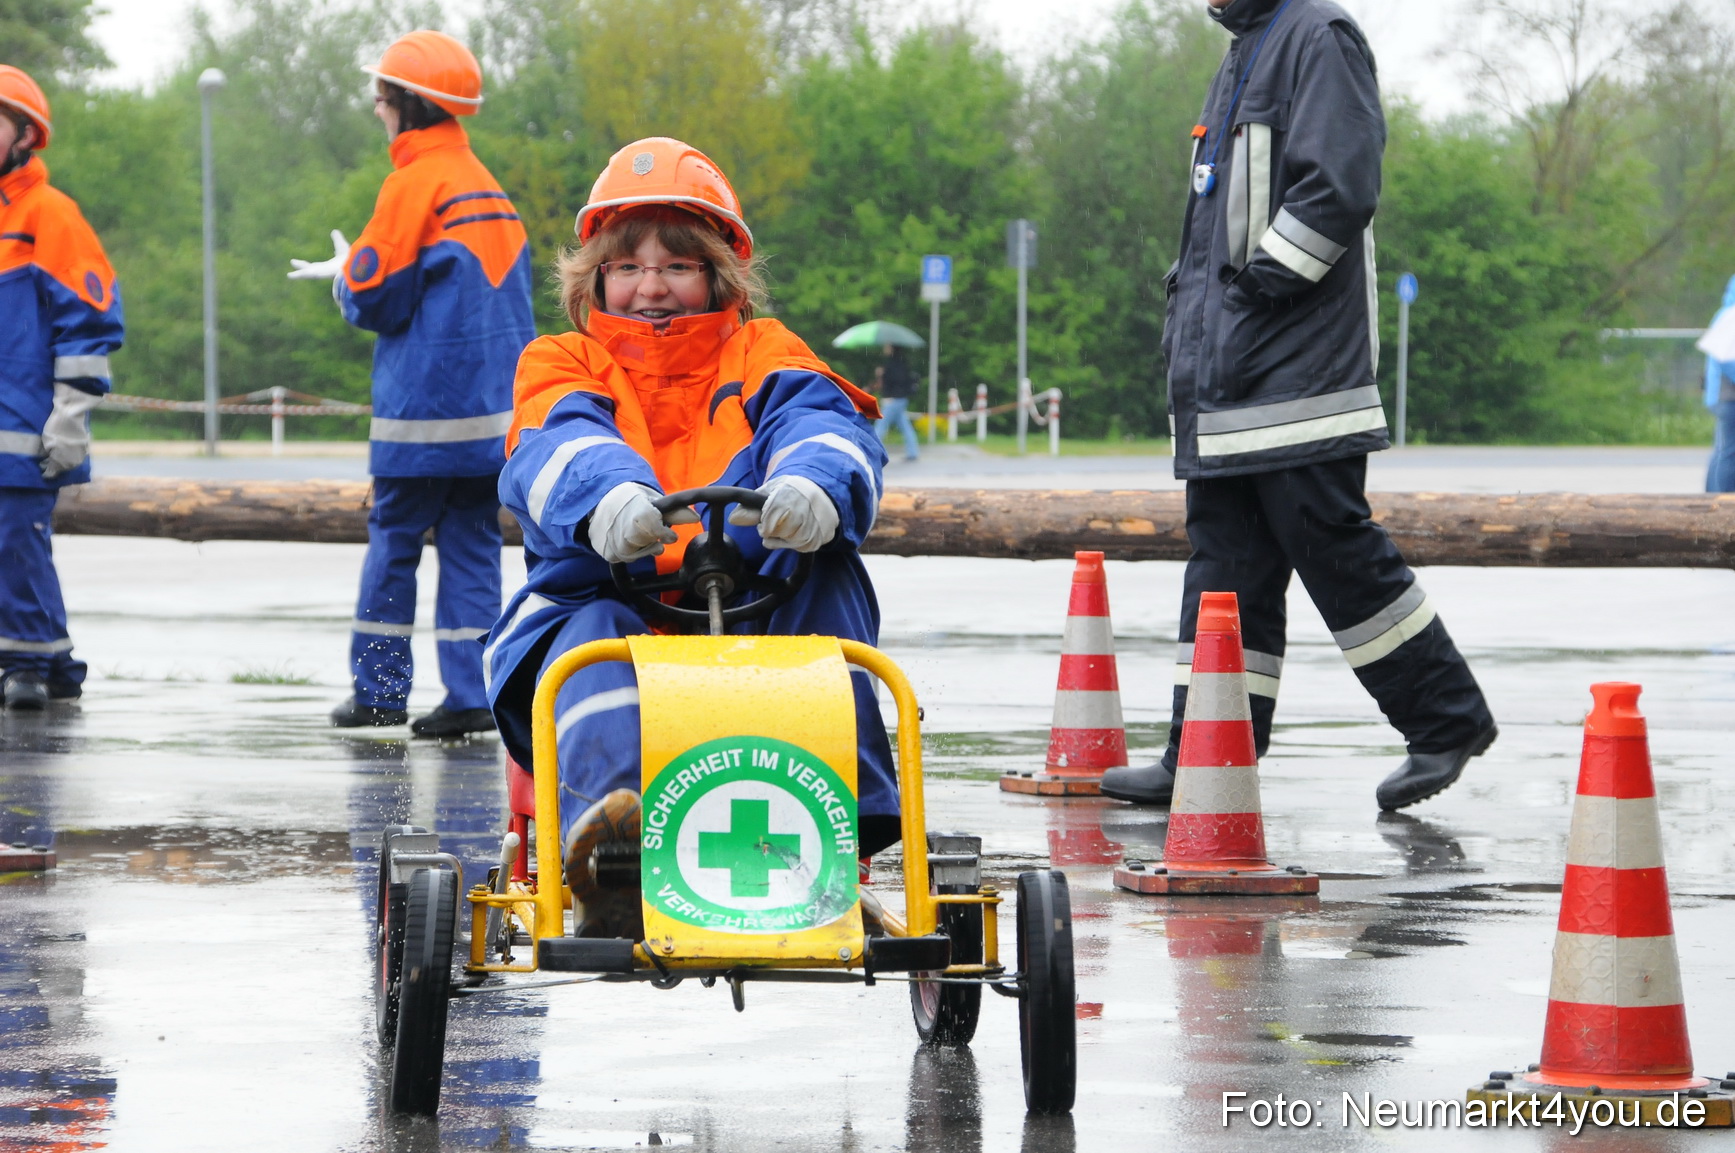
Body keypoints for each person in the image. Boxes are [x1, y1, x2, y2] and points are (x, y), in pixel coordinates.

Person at [485, 137, 893, 935]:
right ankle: (611, 857)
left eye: (676, 265)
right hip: (610, 598)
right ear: (595, 276)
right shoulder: (560, 358)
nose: (651, 288)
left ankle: (841, 818)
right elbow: (555, 439)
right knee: (591, 633)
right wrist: (607, 498)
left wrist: (814, 484)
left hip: (753, 607)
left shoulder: (764, 351)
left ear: (716, 274)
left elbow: (822, 420)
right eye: (628, 266)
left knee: (829, 571)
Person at [1100, 0, 1496, 811]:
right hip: (1234, 381)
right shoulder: (1248, 47)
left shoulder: (1317, 36)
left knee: (1329, 544)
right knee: (1224, 573)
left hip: (1296, 378)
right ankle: (1204, 752)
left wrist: (1254, 296)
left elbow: (1338, 189)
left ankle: (1445, 718)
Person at [288, 31, 534, 738]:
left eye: (382, 98)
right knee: (471, 547)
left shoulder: (412, 184)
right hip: (491, 423)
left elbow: (375, 295)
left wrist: (343, 277)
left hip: (420, 419)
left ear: (410, 105)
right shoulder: (487, 186)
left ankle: (380, 692)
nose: (376, 110)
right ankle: (471, 696)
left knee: (394, 540)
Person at [0, 65, 124, 711]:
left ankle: (27, 663)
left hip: (26, 426)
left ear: (26, 134)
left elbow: (90, 321)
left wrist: (70, 418)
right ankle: (52, 663)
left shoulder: (50, 214)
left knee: (15, 542)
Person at [1704, 276, 1735, 493]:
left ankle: (1711, 497)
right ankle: (1723, 502)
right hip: (1727, 396)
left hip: (1720, 394)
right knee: (1729, 453)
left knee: (1722, 450)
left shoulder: (1724, 314)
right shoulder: (1731, 316)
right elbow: (1728, 360)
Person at [874, 343, 920, 462]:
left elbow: (894, 381)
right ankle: (913, 452)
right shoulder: (902, 362)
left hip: (893, 399)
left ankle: (873, 452)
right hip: (901, 398)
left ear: (892, 348)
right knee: (905, 426)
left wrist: (882, 374)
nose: (885, 348)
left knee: (880, 426)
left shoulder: (893, 364)